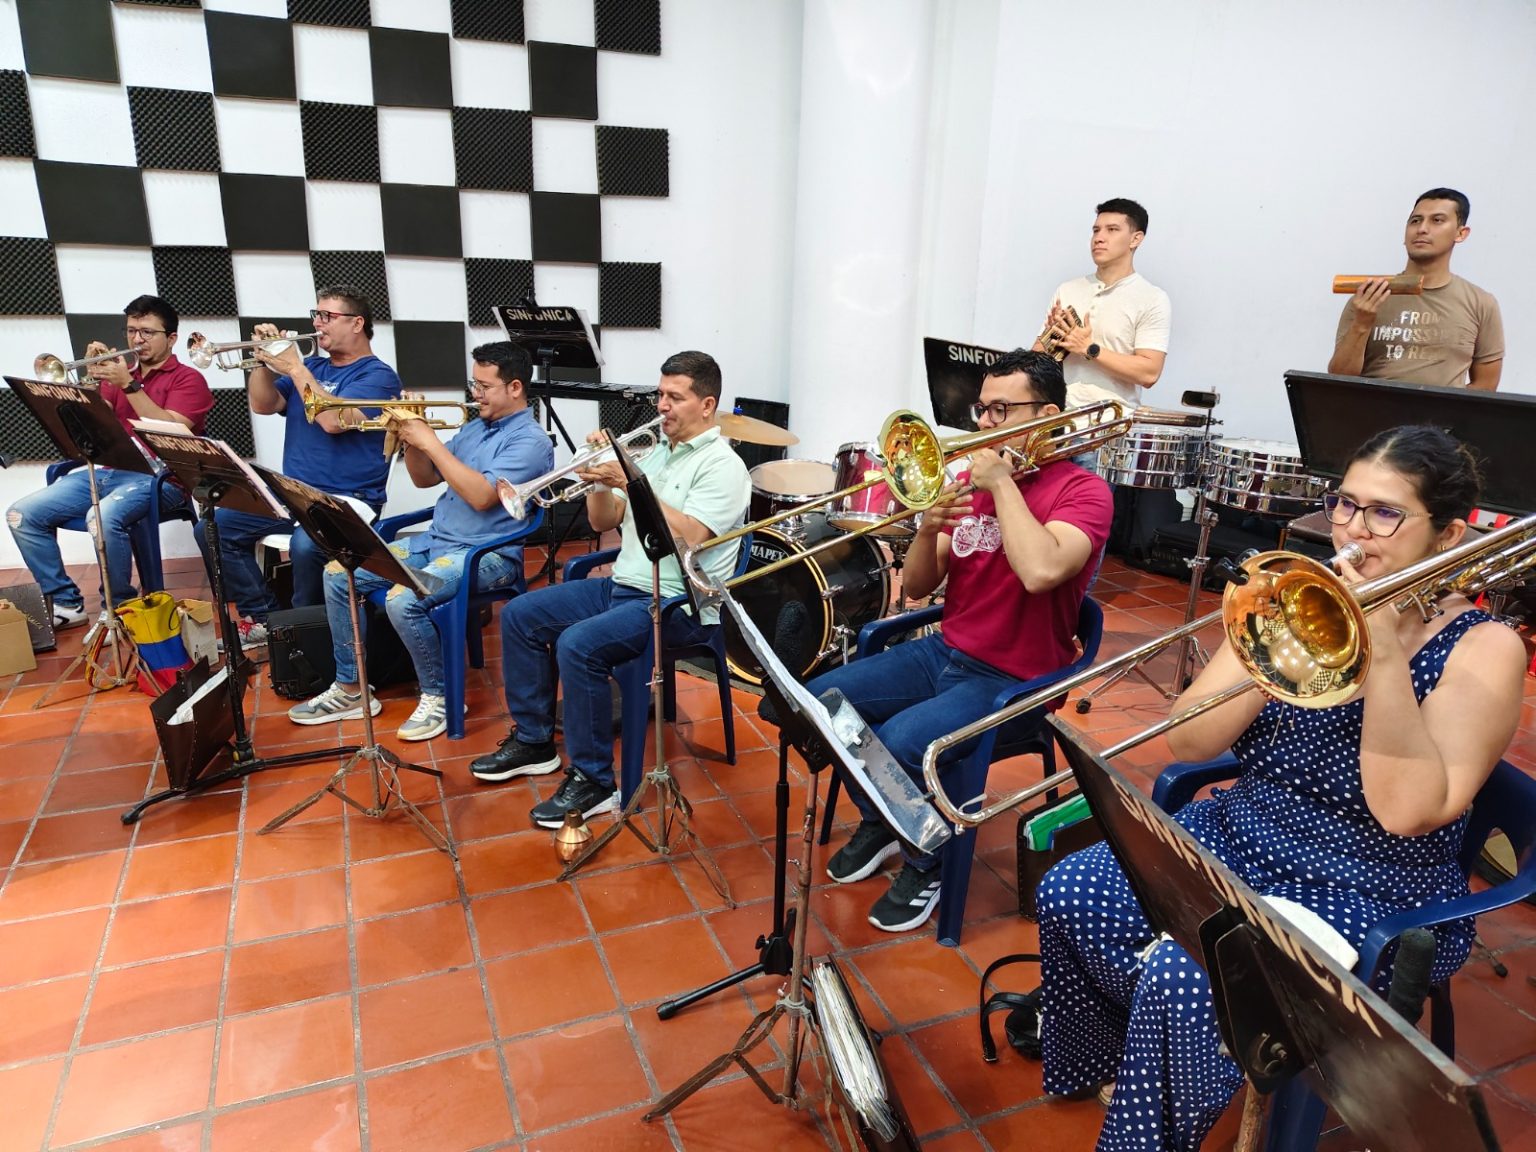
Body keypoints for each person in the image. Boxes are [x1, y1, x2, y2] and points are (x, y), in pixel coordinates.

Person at [1036, 424, 1526, 1151]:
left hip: (1369, 881)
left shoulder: (1486, 648)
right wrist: (1273, 638)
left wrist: (1383, 655)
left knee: (1182, 976)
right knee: (1070, 891)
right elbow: (1190, 741)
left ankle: (1165, 1096)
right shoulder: (1298, 598)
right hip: (1245, 830)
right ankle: (1128, 1057)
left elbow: (1407, 813)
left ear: (1448, 535)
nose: (1354, 531)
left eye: (1385, 513)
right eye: (1346, 504)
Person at [808, 348, 1113, 933]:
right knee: (823, 705)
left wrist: (1001, 485)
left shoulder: (1084, 492)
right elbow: (919, 586)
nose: (984, 423)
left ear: (1047, 415)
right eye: (982, 409)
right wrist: (927, 530)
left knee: (900, 742)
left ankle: (927, 860)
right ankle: (887, 816)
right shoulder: (971, 483)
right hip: (944, 651)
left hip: (1015, 679)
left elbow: (1041, 571)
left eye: (1001, 410)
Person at [469, 351, 750, 828]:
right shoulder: (657, 450)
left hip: (677, 602)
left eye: (675, 397)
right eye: (660, 394)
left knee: (578, 645)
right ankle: (535, 741)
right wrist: (597, 476)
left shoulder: (723, 467)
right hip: (625, 585)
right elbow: (603, 521)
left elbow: (689, 536)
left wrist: (632, 482)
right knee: (520, 615)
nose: (662, 406)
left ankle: (594, 780)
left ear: (707, 405)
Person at [285, 342, 552, 742]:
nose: (475, 394)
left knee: (403, 598)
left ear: (515, 387)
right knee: (340, 571)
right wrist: (409, 437)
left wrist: (429, 441)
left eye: (484, 386)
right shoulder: (474, 428)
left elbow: (482, 496)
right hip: (436, 541)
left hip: (487, 555)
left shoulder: (530, 441)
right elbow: (425, 478)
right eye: (473, 384)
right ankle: (351, 687)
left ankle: (440, 697)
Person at [193, 285, 401, 647]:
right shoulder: (314, 366)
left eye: (327, 316)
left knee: (306, 547)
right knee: (213, 528)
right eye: (316, 315)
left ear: (357, 323)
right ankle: (269, 622)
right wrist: (262, 361)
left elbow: (333, 421)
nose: (317, 324)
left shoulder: (379, 377)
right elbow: (264, 403)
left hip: (348, 499)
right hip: (293, 492)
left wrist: (294, 366)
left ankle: (307, 636)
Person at [7, 294, 213, 627]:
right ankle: (66, 603)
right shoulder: (118, 378)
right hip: (110, 472)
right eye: (132, 331)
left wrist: (129, 385)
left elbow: (169, 430)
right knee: (21, 514)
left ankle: (119, 607)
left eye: (148, 332)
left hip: (163, 479)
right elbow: (94, 427)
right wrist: (90, 384)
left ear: (172, 338)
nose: (137, 339)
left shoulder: (188, 380)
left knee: (101, 517)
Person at [1328, 188, 1503, 391]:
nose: (1422, 229)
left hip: (1442, 412)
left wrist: (1446, 408)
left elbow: (1486, 385)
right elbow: (1339, 379)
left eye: (1437, 220)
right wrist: (1362, 323)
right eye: (1415, 221)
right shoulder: (1368, 297)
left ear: (1461, 233)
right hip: (1374, 410)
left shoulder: (1481, 303)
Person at [1035, 198, 1171, 412]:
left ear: (1135, 239)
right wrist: (1050, 341)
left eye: (1112, 230)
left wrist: (1089, 348)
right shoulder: (1068, 289)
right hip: (1057, 417)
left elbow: (1149, 373)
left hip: (1111, 421)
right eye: (1096, 230)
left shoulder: (1152, 298)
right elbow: (1035, 364)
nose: (1099, 238)